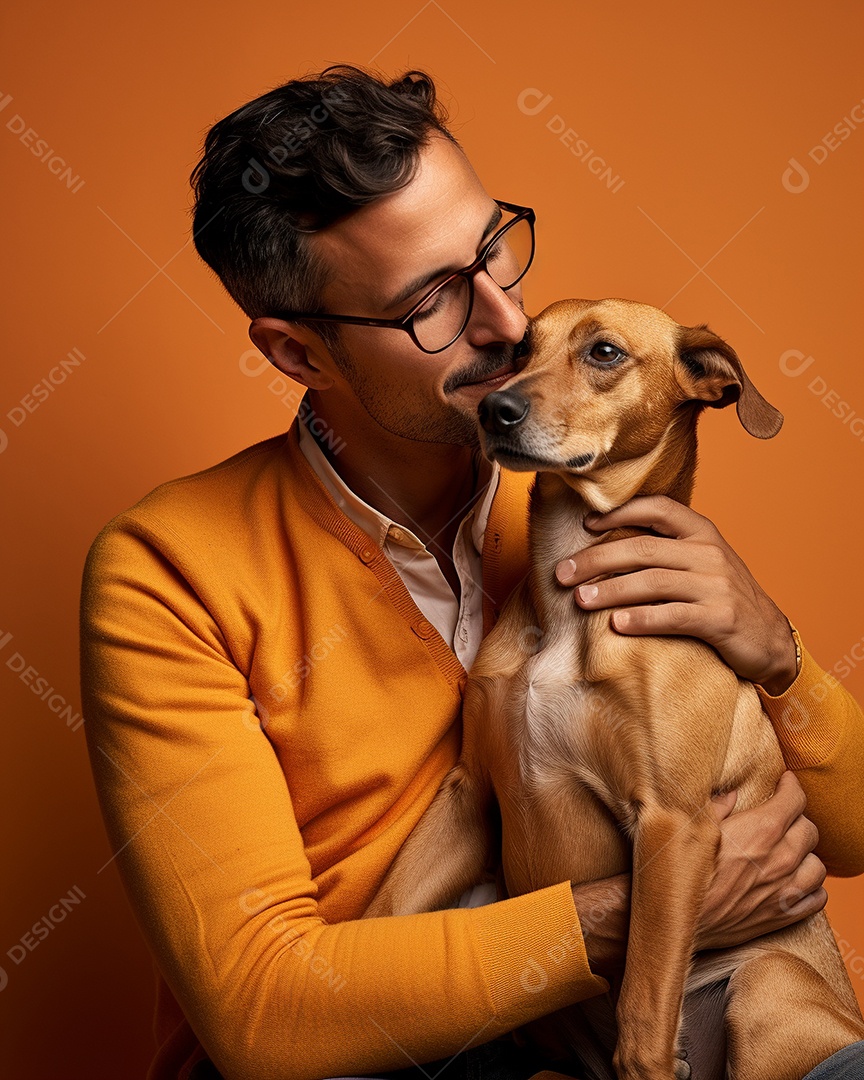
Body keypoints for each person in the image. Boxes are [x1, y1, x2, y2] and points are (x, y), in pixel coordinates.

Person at [78, 65, 864, 1080]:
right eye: (432, 304)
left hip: (613, 1022)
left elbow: (843, 845)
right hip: (368, 1051)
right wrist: (640, 915)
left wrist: (779, 657)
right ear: (297, 352)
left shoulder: (581, 499)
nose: (504, 322)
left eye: (496, 250)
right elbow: (262, 1014)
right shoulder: (169, 569)